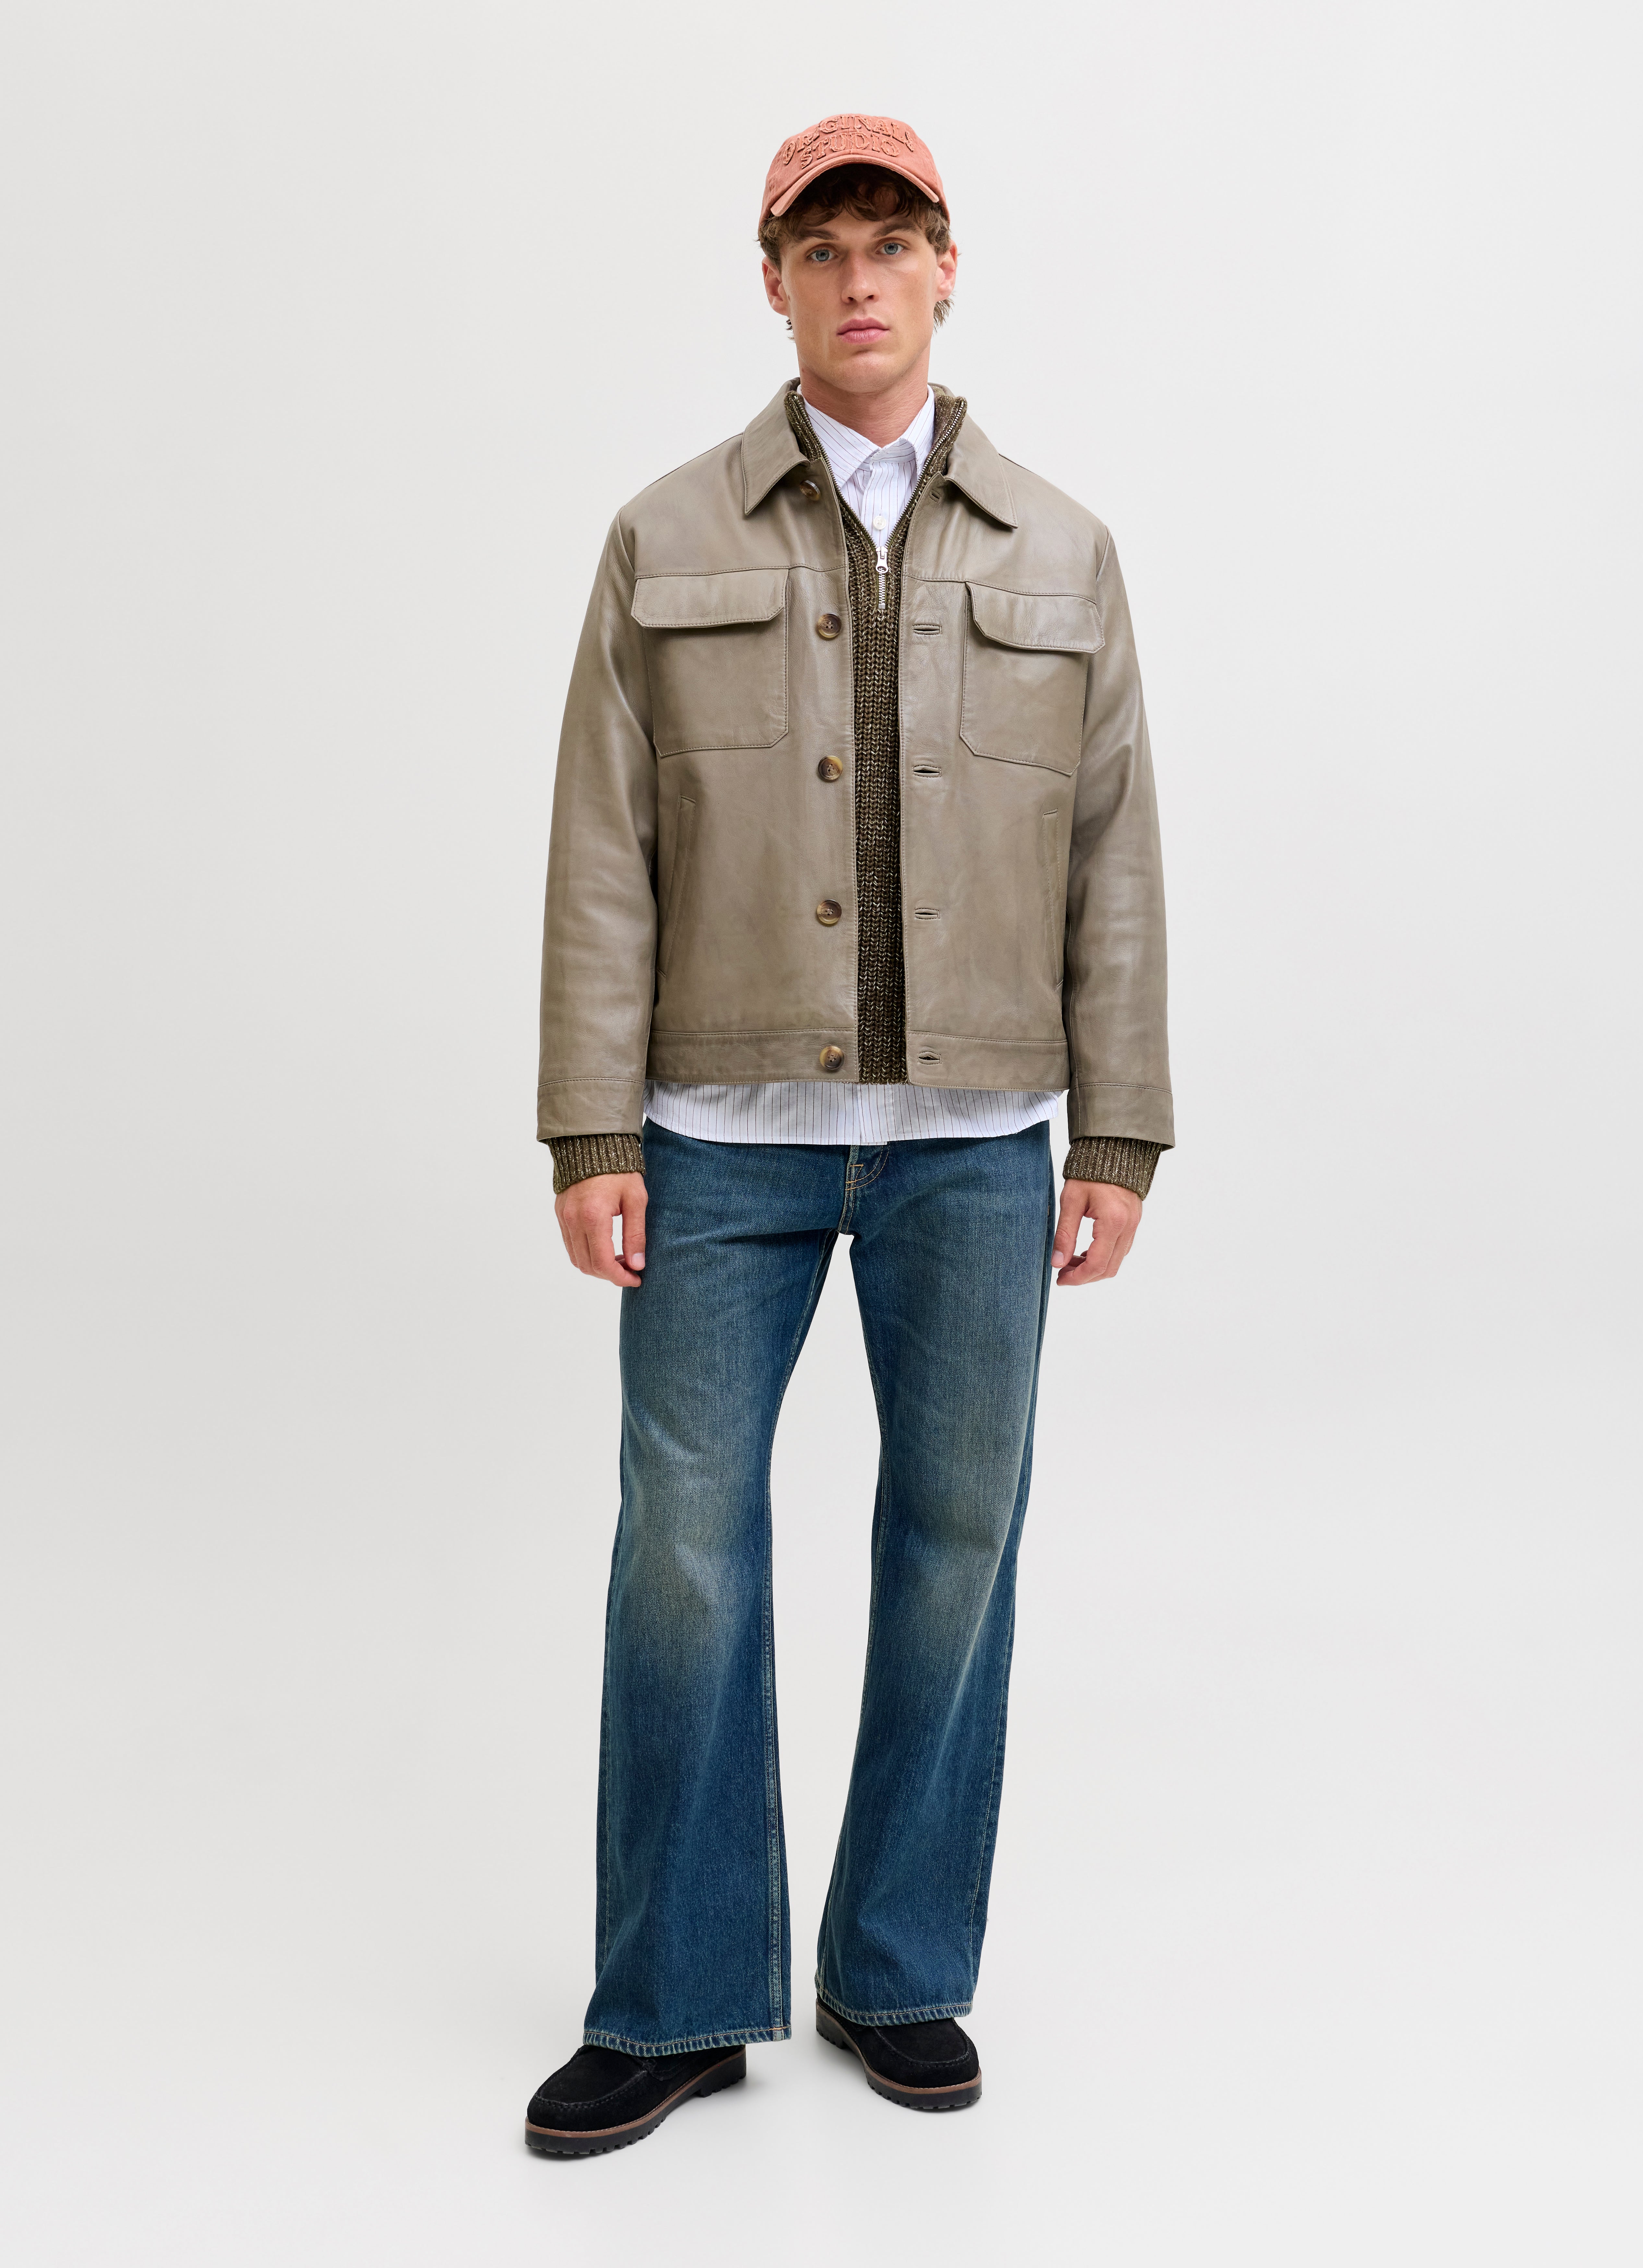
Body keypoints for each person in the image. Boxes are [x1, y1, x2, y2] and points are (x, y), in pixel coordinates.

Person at [524, 113, 1172, 2157]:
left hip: (979, 1142)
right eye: (825, 248)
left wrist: (1119, 1133)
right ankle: (676, 1996)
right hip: (716, 1135)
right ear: (776, 282)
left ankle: (896, 1966)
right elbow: (603, 848)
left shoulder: (1062, 550)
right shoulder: (663, 535)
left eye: (894, 242)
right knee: (684, 1553)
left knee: (959, 1544)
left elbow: (1116, 856)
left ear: (948, 269)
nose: (861, 278)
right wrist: (590, 1128)